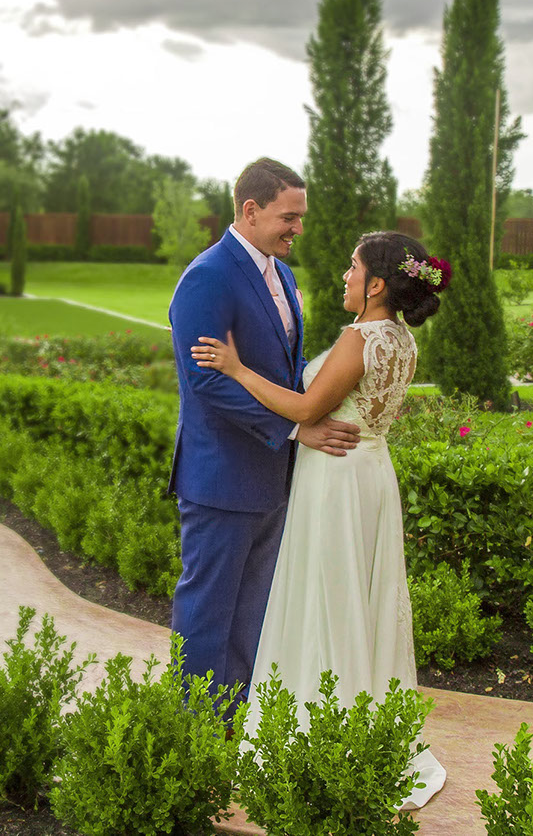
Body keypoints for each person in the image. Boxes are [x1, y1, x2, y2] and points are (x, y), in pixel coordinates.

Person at [192, 230, 450, 809]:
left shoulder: (361, 337)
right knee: (360, 597)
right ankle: (365, 725)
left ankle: (322, 729)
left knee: (325, 597)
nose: (345, 276)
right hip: (372, 473)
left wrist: (235, 368)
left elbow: (308, 409)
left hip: (336, 480)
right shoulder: (400, 339)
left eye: (352, 268)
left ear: (377, 285)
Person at [166, 158, 361, 710]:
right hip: (221, 479)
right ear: (250, 211)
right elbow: (207, 383)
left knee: (255, 608)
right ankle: (195, 724)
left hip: (274, 476)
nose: (298, 228)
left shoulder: (284, 274)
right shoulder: (207, 276)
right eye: (289, 217)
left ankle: (237, 719)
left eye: (300, 217)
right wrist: (299, 427)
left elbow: (285, 363)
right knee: (209, 609)